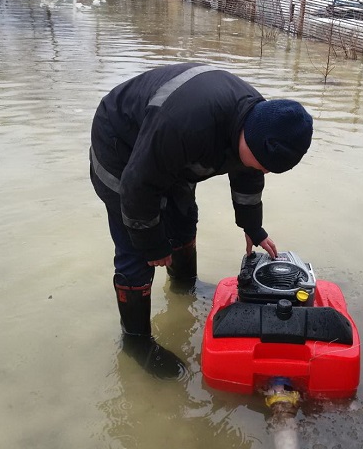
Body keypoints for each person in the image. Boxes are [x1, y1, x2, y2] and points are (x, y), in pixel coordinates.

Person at [89, 63, 314, 379]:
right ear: (248, 139)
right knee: (137, 250)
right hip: (120, 146)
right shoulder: (185, 125)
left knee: (183, 220)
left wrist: (253, 226)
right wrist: (153, 246)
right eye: (263, 166)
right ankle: (135, 341)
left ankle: (183, 287)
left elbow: (248, 174)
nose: (262, 173)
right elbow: (137, 188)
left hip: (168, 154)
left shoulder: (262, 119)